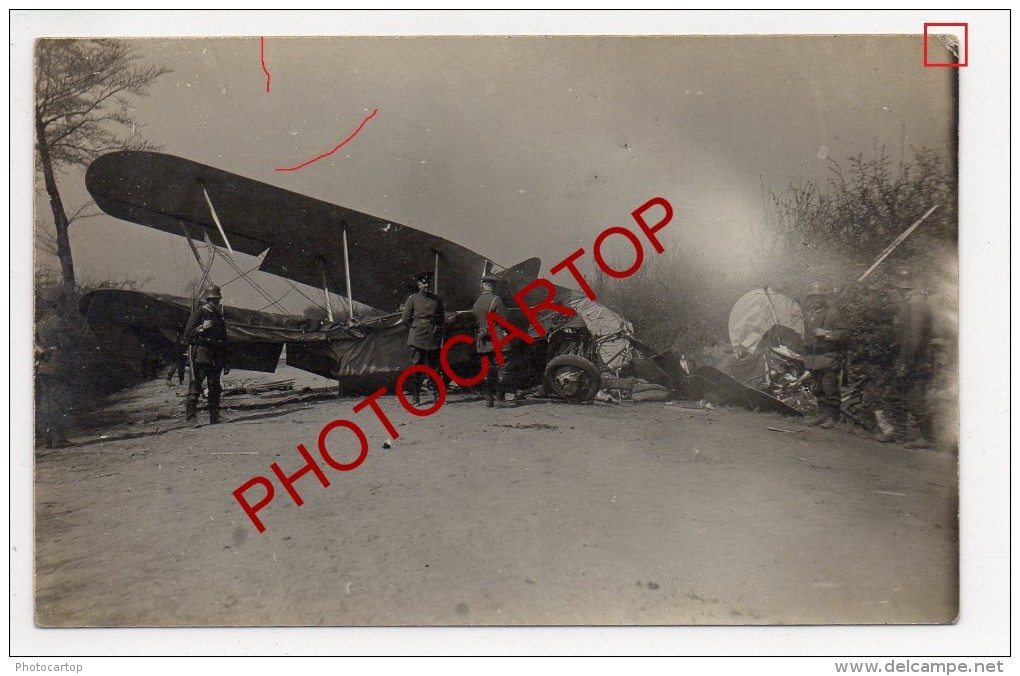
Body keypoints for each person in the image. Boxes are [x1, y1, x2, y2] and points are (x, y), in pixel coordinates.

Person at [876, 268, 935, 448]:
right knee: (897, 396)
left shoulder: (915, 304)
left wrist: (904, 363)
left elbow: (914, 338)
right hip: (912, 359)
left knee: (911, 398)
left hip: (914, 361)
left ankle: (927, 438)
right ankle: (899, 433)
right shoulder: (914, 302)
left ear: (900, 287)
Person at [182, 284, 230, 426]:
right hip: (201, 356)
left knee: (215, 387)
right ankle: (191, 418)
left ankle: (214, 416)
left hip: (216, 356)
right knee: (195, 387)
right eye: (213, 300)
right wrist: (202, 327)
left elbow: (224, 339)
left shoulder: (218, 316)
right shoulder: (198, 314)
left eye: (217, 300)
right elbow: (186, 336)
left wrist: (226, 360)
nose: (215, 302)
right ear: (207, 300)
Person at [801, 282, 846, 429]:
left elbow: (844, 334)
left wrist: (826, 334)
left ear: (824, 298)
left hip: (828, 356)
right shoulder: (809, 315)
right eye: (813, 297)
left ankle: (833, 417)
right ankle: (822, 414)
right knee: (817, 388)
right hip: (813, 357)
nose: (816, 300)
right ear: (810, 299)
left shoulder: (832, 313)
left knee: (830, 387)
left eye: (819, 297)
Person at [400, 271, 445, 405]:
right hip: (417, 337)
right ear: (418, 284)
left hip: (432, 336)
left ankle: (437, 395)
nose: (427, 285)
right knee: (417, 366)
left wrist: (437, 328)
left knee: (434, 367)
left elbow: (441, 318)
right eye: (424, 283)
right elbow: (405, 319)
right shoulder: (412, 299)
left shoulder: (436, 299)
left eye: (428, 283)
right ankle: (415, 396)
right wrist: (416, 327)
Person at [473, 273, 516, 408]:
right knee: (502, 368)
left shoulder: (477, 302)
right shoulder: (496, 300)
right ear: (493, 286)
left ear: (483, 285)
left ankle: (489, 400)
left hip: (483, 341)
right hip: (497, 339)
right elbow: (503, 320)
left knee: (486, 369)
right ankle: (500, 400)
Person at [35, 293, 71, 447]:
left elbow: (36, 344)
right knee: (58, 399)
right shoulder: (58, 322)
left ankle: (47, 438)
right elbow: (66, 343)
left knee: (45, 401)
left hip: (43, 364)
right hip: (57, 363)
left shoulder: (39, 323)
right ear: (56, 304)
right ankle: (59, 438)